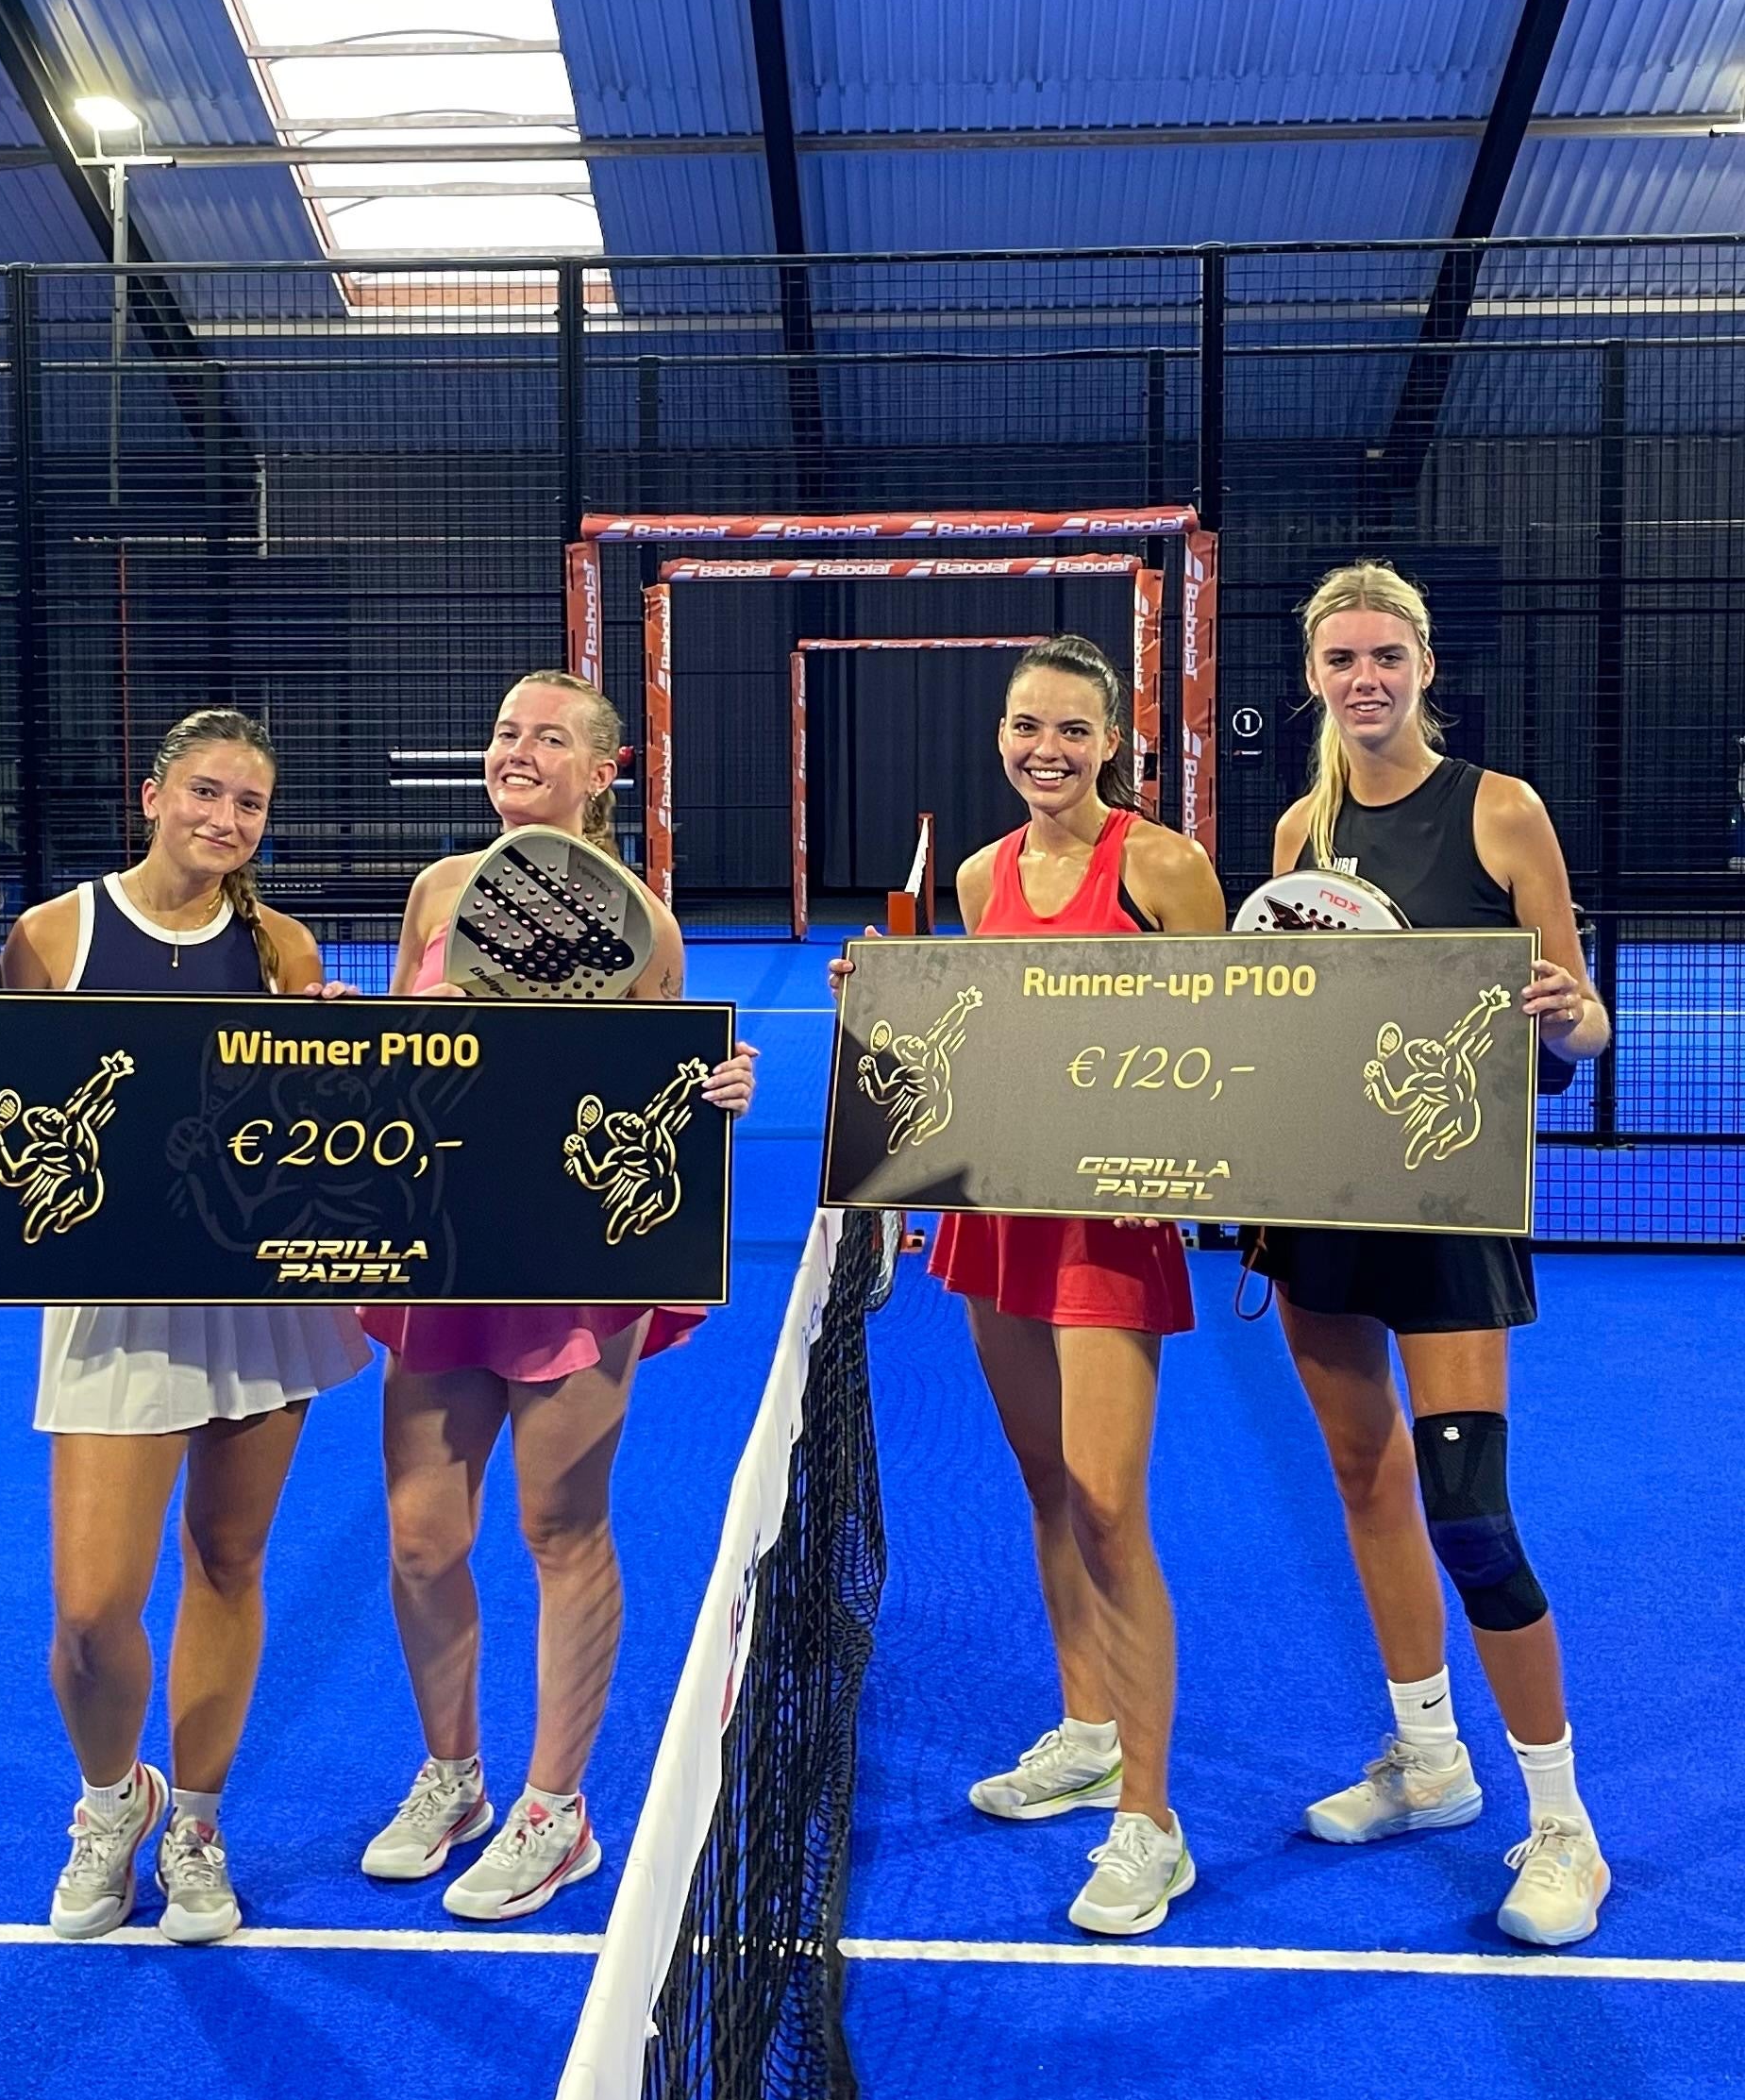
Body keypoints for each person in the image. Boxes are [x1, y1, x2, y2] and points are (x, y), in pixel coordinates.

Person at [0, 709, 370, 1943]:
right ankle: (115, 1800)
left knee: (227, 1561)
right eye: (206, 793)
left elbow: (304, 1129)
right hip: (110, 1300)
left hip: (255, 1292)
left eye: (250, 804)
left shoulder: (283, 944)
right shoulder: (50, 933)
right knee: (90, 1611)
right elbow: (10, 1122)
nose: (226, 820)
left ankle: (199, 1829)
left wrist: (333, 1052)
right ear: (154, 796)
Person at [837, 635, 1226, 1936]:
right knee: (1050, 1483)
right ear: (1001, 736)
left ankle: (1151, 1824)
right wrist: (886, 1003)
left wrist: (1179, 1171)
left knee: (1112, 1504)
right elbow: (977, 1041)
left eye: (1071, 729)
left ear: (1112, 741)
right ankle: (1089, 1729)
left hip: (1111, 1225)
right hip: (998, 1215)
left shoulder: (1163, 865)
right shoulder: (977, 874)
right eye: (1025, 726)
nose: (1045, 750)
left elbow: (1237, 1035)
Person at [356, 670, 757, 1921]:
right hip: (442, 1258)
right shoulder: (438, 891)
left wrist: (718, 1087)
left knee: (559, 1526)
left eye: (547, 738)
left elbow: (659, 1090)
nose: (517, 752)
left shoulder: (645, 923)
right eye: (504, 733)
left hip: (574, 1269)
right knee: (421, 1540)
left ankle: (556, 1807)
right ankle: (454, 1777)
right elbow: (401, 1056)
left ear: (603, 771)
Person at [1254, 561, 1611, 1946]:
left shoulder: (1500, 809)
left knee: (1467, 1508)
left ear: (1423, 666)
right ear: (1314, 676)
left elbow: (1580, 1024)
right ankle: (1427, 1759)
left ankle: (1564, 1827)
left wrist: (1567, 1015)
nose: (1366, 679)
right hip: (1325, 1206)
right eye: (1342, 659)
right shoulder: (1300, 828)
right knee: (1364, 1476)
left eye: (1386, 656)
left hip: (1452, 1210)